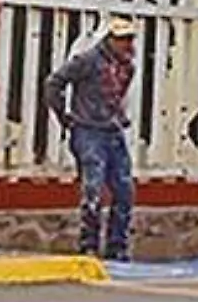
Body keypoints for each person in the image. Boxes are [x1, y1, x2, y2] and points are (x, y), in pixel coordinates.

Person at [45, 17, 139, 261]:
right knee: (93, 188)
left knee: (124, 189)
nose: (126, 44)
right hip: (88, 129)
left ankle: (117, 245)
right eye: (121, 39)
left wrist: (119, 115)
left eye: (129, 39)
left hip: (112, 129)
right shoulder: (88, 60)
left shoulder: (128, 66)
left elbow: (117, 96)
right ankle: (89, 243)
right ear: (109, 39)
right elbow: (54, 83)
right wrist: (64, 116)